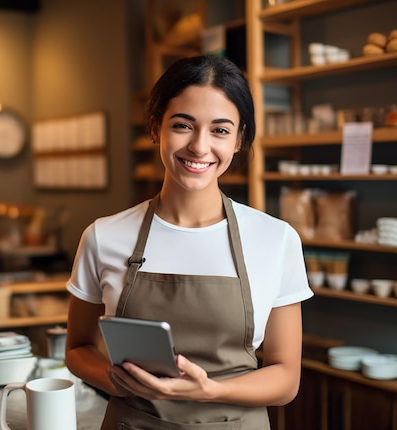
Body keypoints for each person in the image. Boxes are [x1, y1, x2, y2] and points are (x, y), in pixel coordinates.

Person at [64, 55, 314, 429]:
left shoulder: (275, 240)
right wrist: (119, 382)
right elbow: (77, 349)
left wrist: (207, 391)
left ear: (239, 139)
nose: (199, 147)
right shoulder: (104, 236)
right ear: (155, 128)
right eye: (183, 125)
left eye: (220, 130)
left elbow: (285, 378)